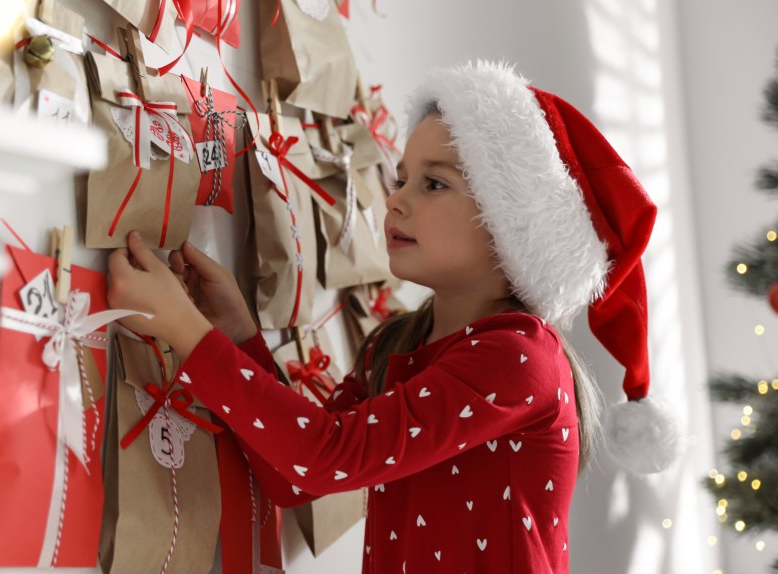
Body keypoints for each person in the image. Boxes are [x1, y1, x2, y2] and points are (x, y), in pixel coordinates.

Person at [106, 61, 682, 573]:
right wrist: (235, 338)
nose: (397, 199)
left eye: (434, 183)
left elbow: (320, 458)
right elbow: (296, 477)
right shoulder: (396, 343)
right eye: (401, 178)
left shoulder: (521, 361)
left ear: (512, 230)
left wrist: (186, 331)